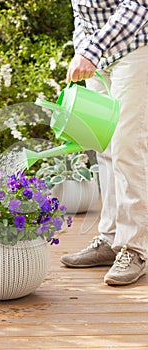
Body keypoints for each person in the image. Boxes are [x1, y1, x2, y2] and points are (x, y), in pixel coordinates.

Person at [60, 0, 148, 285]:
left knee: (127, 146)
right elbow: (80, 10)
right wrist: (81, 47)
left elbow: (139, 5)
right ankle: (110, 239)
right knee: (104, 144)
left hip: (134, 46)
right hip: (98, 54)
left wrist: (90, 50)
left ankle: (136, 248)